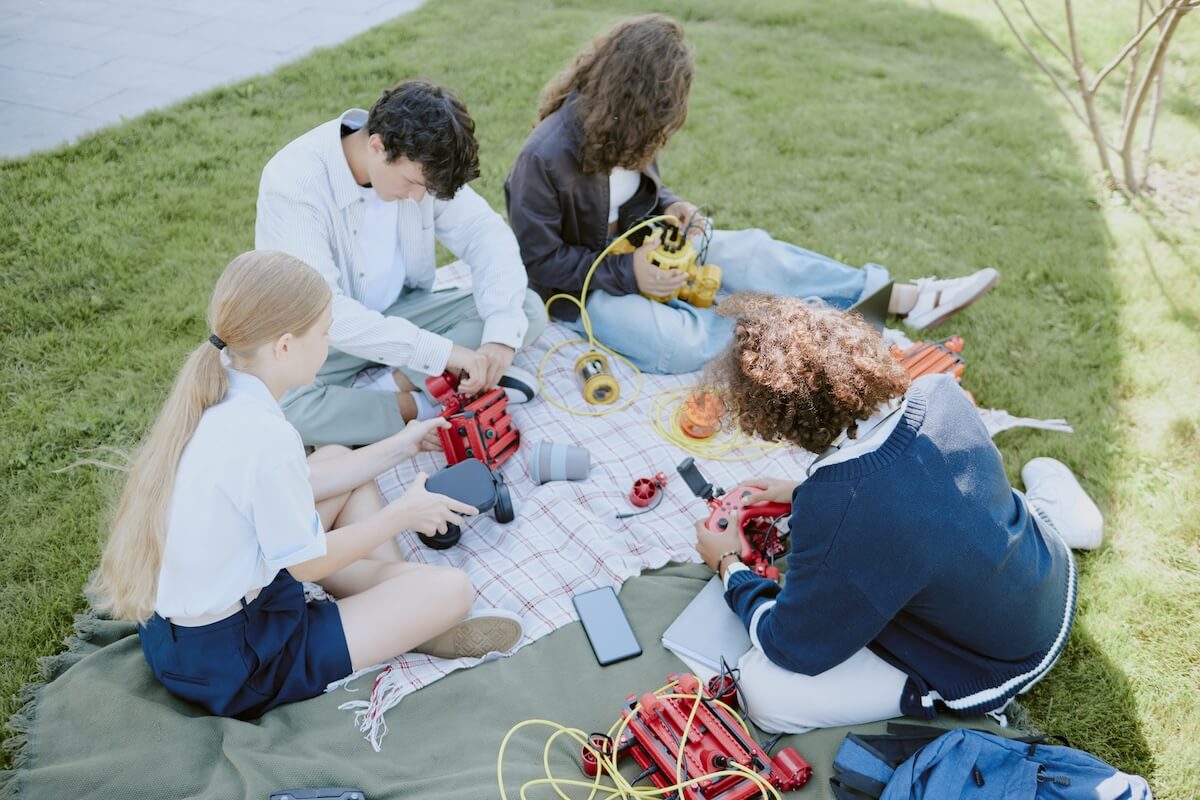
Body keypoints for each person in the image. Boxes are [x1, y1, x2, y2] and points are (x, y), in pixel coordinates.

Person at [89, 251, 524, 720]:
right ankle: (415, 616)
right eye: (323, 332)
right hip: (238, 661)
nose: (330, 342)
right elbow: (305, 564)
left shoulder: (221, 393)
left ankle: (400, 608)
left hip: (178, 634)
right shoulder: (266, 437)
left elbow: (310, 483)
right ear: (284, 346)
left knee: (338, 456)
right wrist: (401, 515)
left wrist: (402, 444)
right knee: (451, 591)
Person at [693, 293, 1102, 734]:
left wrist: (728, 565)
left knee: (763, 691)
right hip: (1045, 574)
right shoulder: (940, 391)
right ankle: (1061, 512)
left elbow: (789, 644)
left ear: (775, 420)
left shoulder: (841, 512)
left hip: (995, 660)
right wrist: (803, 494)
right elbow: (917, 491)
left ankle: (935, 695)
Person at [505, 15, 998, 374]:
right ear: (628, 103)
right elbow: (540, 264)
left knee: (757, 253)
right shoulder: (542, 159)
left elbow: (631, 193)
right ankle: (802, 331)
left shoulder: (622, 130)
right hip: (580, 291)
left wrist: (673, 206)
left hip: (642, 250)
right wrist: (627, 273)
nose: (660, 135)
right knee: (683, 344)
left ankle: (903, 299)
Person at [257, 79, 548, 447]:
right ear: (377, 146)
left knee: (522, 310)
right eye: (412, 184)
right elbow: (327, 313)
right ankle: (418, 404)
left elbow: (484, 233)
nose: (419, 198)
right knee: (285, 411)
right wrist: (444, 353)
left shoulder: (419, 165)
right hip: (319, 336)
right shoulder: (295, 184)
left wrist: (499, 343)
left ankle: (410, 385)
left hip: (402, 310)